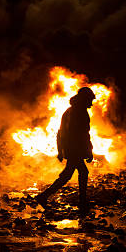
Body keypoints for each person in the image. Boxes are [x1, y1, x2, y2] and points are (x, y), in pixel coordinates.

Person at [35, 86, 95, 216]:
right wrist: (89, 151)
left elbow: (60, 132)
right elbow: (83, 134)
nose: (91, 102)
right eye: (90, 99)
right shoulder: (80, 113)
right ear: (84, 99)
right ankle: (81, 201)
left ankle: (44, 196)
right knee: (79, 173)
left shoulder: (69, 111)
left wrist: (60, 150)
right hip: (75, 149)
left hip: (70, 148)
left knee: (71, 174)